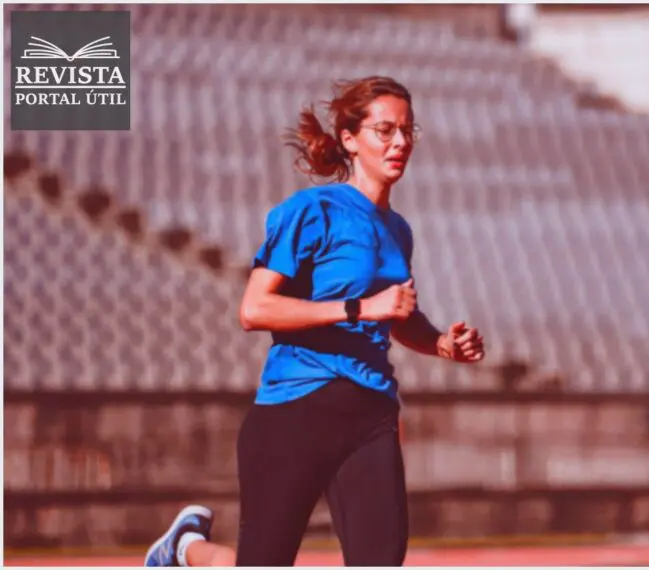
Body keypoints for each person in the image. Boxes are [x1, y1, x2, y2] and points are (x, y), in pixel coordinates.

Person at [144, 76, 485, 567]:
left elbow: (399, 316)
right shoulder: (312, 211)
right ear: (349, 139)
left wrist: (443, 344)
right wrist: (358, 308)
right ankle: (187, 548)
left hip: (371, 414)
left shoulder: (398, 229)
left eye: (407, 131)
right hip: (296, 410)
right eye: (384, 130)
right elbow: (255, 309)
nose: (400, 143)